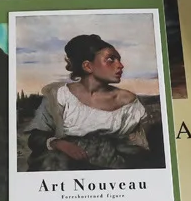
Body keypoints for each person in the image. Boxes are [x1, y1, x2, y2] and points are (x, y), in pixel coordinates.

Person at [25, 34, 152, 171]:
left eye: (119, 60)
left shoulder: (127, 102)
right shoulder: (59, 96)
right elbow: (36, 137)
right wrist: (59, 144)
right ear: (87, 66)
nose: (120, 65)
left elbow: (138, 148)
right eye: (111, 59)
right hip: (63, 168)